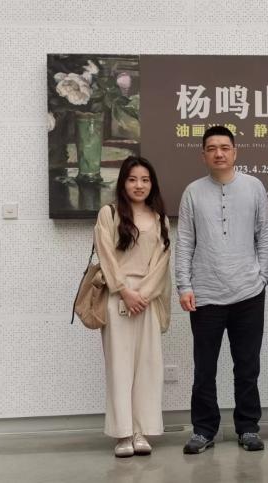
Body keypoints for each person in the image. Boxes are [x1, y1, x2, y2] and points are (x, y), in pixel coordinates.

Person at [175, 125, 268, 454]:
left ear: (235, 152)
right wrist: (184, 285)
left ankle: (248, 427)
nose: (219, 153)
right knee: (205, 368)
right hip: (205, 295)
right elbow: (185, 241)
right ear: (203, 155)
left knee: (247, 366)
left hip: (248, 293)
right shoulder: (192, 192)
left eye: (224, 147)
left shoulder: (254, 186)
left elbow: (265, 232)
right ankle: (204, 430)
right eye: (212, 148)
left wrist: (263, 275)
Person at [94, 156, 172, 457]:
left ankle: (141, 431)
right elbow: (106, 256)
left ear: (152, 184)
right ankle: (123, 434)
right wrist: (124, 291)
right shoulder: (109, 213)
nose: (139, 185)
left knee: (148, 368)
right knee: (120, 367)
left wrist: (143, 295)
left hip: (147, 301)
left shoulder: (160, 219)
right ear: (123, 182)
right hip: (117, 299)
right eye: (132, 179)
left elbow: (161, 264)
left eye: (145, 180)